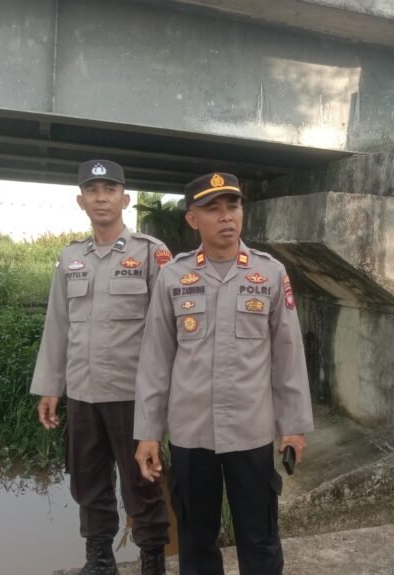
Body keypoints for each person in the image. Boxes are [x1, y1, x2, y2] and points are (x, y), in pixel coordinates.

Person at [133, 172, 314, 575]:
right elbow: (155, 359)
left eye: (232, 206)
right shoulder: (174, 276)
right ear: (192, 219)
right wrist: (147, 432)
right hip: (191, 433)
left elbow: (288, 354)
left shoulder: (269, 274)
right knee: (196, 540)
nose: (226, 216)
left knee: (260, 537)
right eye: (212, 208)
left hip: (250, 431)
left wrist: (294, 426)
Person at [31, 159, 172, 575]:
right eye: (93, 191)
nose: (102, 197)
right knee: (87, 482)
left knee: (142, 483)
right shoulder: (70, 257)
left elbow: (167, 332)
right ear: (81, 201)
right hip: (82, 395)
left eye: (110, 189)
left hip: (132, 396)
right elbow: (56, 326)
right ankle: (99, 559)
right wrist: (50, 387)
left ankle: (151, 558)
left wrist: (164, 397)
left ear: (125, 198)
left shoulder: (151, 252)